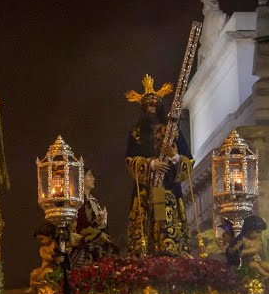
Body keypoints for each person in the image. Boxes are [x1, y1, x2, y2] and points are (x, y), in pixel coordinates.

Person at [124, 75, 194, 257]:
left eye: (154, 105)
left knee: (166, 232)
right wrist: (150, 164)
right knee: (145, 233)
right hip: (145, 191)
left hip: (167, 189)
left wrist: (174, 156)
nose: (151, 109)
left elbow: (188, 161)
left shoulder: (172, 131)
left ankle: (168, 261)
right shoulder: (136, 133)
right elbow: (130, 161)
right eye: (147, 106)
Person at [69, 166, 119, 267]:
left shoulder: (93, 201)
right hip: (83, 247)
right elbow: (81, 226)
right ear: (81, 178)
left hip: (96, 244)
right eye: (89, 175)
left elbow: (96, 224)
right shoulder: (76, 201)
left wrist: (100, 222)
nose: (93, 179)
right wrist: (98, 235)